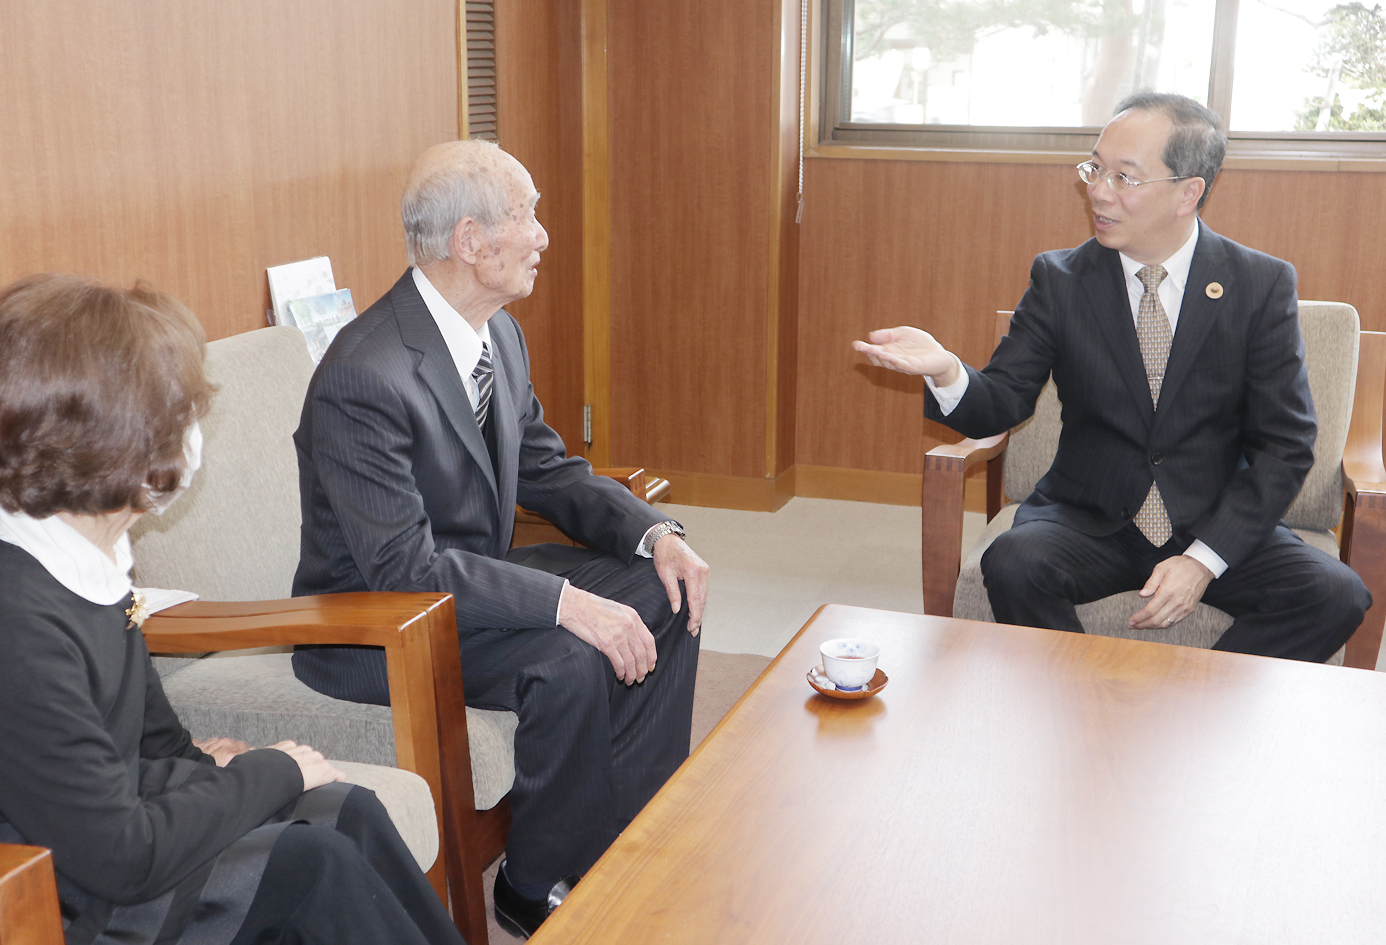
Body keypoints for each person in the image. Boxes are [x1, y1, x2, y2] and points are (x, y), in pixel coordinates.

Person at [290, 139, 708, 937]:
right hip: (377, 624)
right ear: (471, 242)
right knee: (570, 653)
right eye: (529, 215)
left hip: (469, 584)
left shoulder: (497, 336)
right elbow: (402, 567)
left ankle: (630, 835)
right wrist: (563, 604)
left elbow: (550, 468)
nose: (543, 234)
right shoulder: (364, 374)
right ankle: (531, 882)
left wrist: (654, 535)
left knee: (668, 588)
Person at [0, 273, 464, 945]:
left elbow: (145, 741)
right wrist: (266, 771)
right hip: (68, 897)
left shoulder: (90, 553)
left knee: (345, 808)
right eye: (179, 416)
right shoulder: (22, 622)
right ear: (113, 441)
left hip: (111, 836)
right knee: (311, 862)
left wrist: (201, 768)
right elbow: (121, 856)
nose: (192, 436)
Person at [854, 91, 1369, 662]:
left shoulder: (1259, 285)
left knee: (1335, 594)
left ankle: (1195, 709)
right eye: (1096, 167)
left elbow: (1287, 444)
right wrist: (947, 369)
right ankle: (1091, 703)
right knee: (1014, 563)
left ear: (1188, 192)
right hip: (1089, 519)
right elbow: (1000, 403)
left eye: (1125, 177)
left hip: (1211, 517)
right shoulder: (1061, 279)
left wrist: (1202, 560)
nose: (1098, 190)